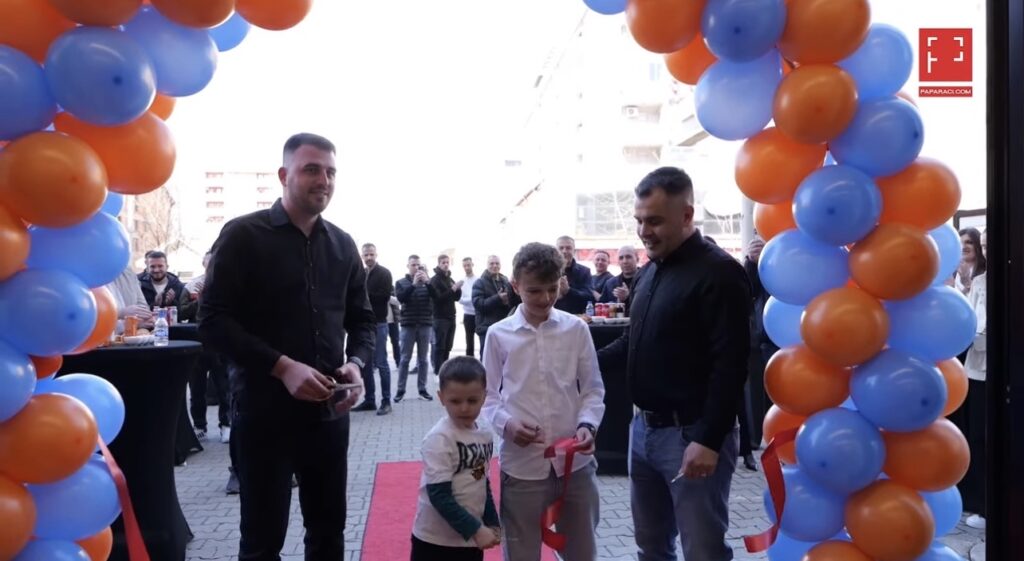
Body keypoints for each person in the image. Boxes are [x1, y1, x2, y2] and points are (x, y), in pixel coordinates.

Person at [198, 133, 375, 561]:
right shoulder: (243, 235)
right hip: (263, 413)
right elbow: (213, 321)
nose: (324, 180)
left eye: (331, 172)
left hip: (328, 414)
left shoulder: (343, 245)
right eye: (312, 169)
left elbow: (364, 321)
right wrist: (282, 366)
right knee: (262, 542)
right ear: (284, 175)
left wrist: (356, 364)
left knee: (328, 534)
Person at [597, 167, 751, 561]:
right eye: (639, 220)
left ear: (686, 215)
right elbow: (633, 341)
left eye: (654, 221)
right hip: (642, 432)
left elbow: (732, 365)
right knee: (651, 547)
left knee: (702, 551)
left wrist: (708, 440)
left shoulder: (720, 273)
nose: (643, 231)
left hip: (692, 437)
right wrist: (579, 363)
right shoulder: (648, 271)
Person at [482, 242, 606, 561]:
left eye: (552, 289)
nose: (545, 299)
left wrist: (588, 424)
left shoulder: (576, 329)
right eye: (534, 291)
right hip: (522, 465)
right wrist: (507, 425)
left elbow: (593, 388)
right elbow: (488, 396)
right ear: (515, 285)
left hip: (575, 465)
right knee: (522, 553)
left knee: (582, 553)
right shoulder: (498, 334)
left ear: (562, 282)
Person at [411, 356, 500, 561]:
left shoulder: (484, 435)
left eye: (472, 400)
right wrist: (476, 529)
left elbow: (481, 479)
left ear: (484, 397)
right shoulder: (440, 438)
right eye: (455, 401)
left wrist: (491, 521)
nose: (464, 408)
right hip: (435, 541)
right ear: (441, 397)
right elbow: (439, 495)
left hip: (469, 540)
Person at [959, 229, 987, 530]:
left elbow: (978, 327)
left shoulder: (983, 280)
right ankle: (978, 499)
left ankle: (984, 502)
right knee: (975, 434)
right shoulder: (973, 280)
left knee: (984, 436)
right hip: (972, 367)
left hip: (981, 360)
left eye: (974, 244)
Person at [353, 243, 394, 415]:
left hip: (379, 324)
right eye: (366, 255)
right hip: (363, 325)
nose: (368, 257)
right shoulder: (360, 273)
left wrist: (363, 295)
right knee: (366, 365)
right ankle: (369, 400)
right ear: (362, 256)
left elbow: (383, 297)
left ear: (376, 255)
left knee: (381, 363)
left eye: (371, 254)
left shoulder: (384, 273)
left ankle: (386, 401)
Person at [396, 255, 436, 402]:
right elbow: (401, 298)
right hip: (408, 325)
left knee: (423, 359)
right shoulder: (400, 282)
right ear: (408, 266)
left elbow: (436, 297)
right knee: (404, 359)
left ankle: (422, 389)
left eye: (418, 265)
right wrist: (413, 285)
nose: (416, 268)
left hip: (425, 324)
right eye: (413, 265)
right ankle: (400, 390)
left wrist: (428, 283)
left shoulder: (429, 282)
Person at [472, 255, 518, 356]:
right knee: (487, 357)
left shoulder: (505, 281)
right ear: (487, 265)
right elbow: (479, 305)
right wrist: (498, 298)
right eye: (491, 263)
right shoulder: (479, 283)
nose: (494, 266)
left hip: (503, 327)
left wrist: (507, 302)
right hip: (486, 328)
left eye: (497, 263)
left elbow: (513, 303)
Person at [429, 255, 463, 373]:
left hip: (451, 316)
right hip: (440, 318)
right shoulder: (435, 280)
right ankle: (438, 371)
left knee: (448, 346)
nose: (446, 264)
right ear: (438, 264)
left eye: (447, 262)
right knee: (440, 346)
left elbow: (456, 298)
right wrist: (452, 289)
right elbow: (438, 299)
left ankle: (444, 371)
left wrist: (458, 289)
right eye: (443, 262)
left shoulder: (450, 279)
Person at [554, 236, 593, 314]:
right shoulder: (548, 270)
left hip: (575, 315)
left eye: (568, 248)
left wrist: (569, 291)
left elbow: (589, 297)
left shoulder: (584, 271)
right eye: (561, 248)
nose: (564, 251)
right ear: (556, 251)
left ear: (574, 251)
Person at [600, 246, 640, 313]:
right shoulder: (610, 283)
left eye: (628, 257)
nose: (625, 261)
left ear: (637, 259)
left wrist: (628, 298)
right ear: (618, 262)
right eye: (621, 258)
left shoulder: (647, 280)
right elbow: (601, 308)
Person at [458, 257, 480, 357]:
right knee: (469, 342)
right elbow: (460, 299)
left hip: (478, 313)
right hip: (467, 314)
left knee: (482, 339)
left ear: (472, 265)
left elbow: (479, 297)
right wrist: (473, 299)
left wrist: (469, 299)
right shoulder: (461, 281)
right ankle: (469, 362)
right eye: (465, 266)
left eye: (468, 265)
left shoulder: (478, 280)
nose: (467, 267)